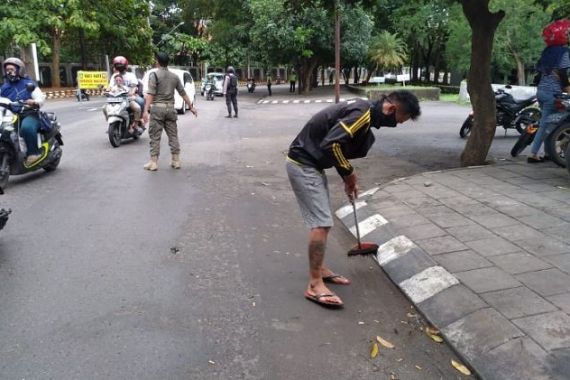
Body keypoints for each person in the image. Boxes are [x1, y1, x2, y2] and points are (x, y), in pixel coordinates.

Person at [286, 91, 421, 308]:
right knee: (321, 223)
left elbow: (336, 145)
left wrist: (348, 179)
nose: (396, 125)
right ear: (391, 109)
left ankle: (318, 269)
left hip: (311, 164)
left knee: (323, 221)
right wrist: (350, 175)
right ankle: (314, 285)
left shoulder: (364, 112)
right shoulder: (362, 113)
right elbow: (332, 145)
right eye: (398, 120)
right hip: (303, 165)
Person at [142, 52, 197, 171]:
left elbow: (150, 94)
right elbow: (183, 93)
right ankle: (176, 161)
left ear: (157, 61)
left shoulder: (154, 75)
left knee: (155, 136)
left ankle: (153, 162)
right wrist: (191, 107)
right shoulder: (174, 77)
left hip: (157, 109)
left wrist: (145, 110)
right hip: (171, 109)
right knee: (173, 135)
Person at [528, 19, 570, 163]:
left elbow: (539, 73)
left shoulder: (547, 52)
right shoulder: (564, 52)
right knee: (546, 125)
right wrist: (568, 89)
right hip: (552, 93)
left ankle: (548, 153)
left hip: (541, 92)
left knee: (552, 123)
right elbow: (563, 74)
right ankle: (533, 154)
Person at [0, 57, 46, 165]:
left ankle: (34, 153)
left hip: (29, 114)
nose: (9, 72)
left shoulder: (28, 83)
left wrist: (34, 102)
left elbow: (41, 98)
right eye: (7, 70)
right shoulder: (4, 87)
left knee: (26, 128)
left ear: (19, 70)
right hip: (10, 116)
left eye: (12, 69)